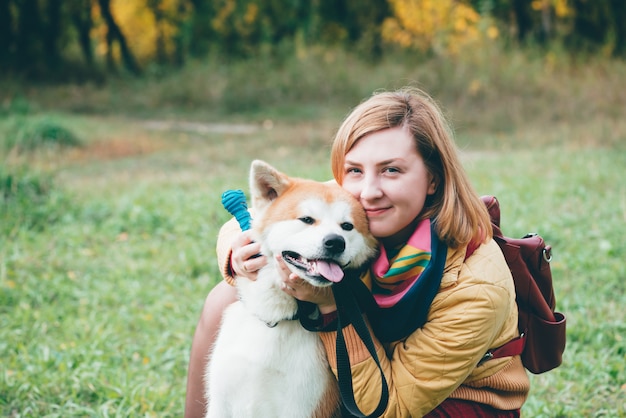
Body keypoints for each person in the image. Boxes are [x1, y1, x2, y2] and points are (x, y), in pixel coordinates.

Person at [184, 87, 530, 417]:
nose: (368, 192)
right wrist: (237, 250)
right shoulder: (352, 202)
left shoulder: (476, 285)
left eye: (391, 170)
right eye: (354, 170)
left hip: (451, 403)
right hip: (368, 371)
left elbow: (393, 407)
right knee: (224, 298)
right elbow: (276, 211)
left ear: (433, 179)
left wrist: (331, 306)